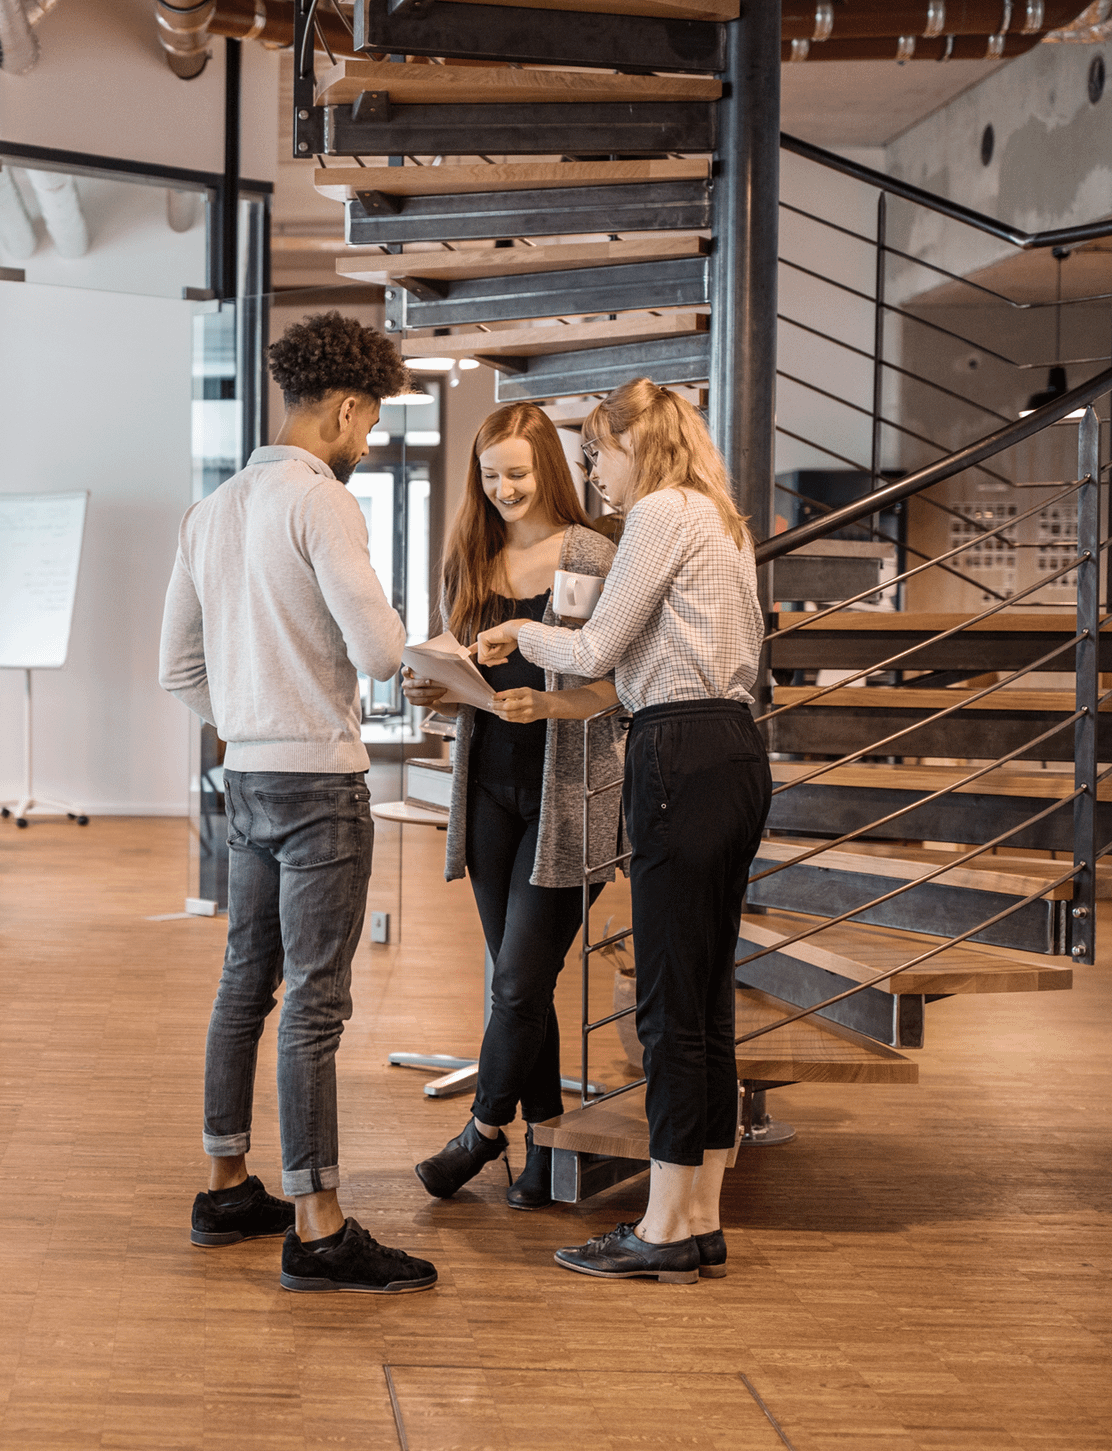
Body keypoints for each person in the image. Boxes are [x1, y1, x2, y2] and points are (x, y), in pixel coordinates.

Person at [158, 312, 435, 1296]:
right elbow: (381, 652)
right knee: (315, 1005)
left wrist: (248, 718)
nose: (368, 442)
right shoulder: (321, 502)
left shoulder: (211, 510)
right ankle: (318, 1229)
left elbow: (176, 669)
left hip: (246, 778)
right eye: (372, 424)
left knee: (246, 983)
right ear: (349, 408)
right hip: (320, 784)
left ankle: (227, 1187)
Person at [472, 377, 768, 1285]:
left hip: (676, 746)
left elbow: (596, 650)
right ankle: (698, 1214)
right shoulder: (720, 518)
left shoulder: (661, 513)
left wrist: (517, 633)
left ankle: (663, 1228)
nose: (595, 470)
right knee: (705, 999)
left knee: (670, 1004)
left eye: (600, 451)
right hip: (734, 747)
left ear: (642, 445)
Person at [401, 403, 624, 1211]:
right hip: (488, 790)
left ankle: (483, 1131)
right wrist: (434, 690)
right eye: (491, 475)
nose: (504, 489)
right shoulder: (470, 554)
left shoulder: (593, 553)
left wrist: (556, 701)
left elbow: (618, 678)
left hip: (570, 794)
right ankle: (546, 1143)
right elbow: (463, 671)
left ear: (549, 471)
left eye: (519, 474)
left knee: (520, 980)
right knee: (516, 983)